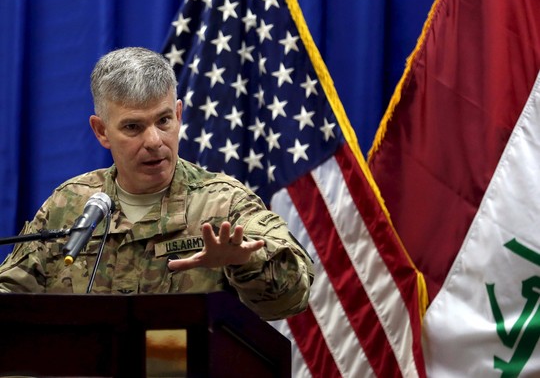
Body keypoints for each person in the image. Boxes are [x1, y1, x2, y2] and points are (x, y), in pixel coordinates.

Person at [0, 47, 314, 321]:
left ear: (178, 114)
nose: (154, 141)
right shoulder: (69, 204)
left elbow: (292, 297)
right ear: (102, 131)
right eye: (133, 127)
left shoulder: (225, 203)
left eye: (163, 121)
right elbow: (9, 297)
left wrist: (245, 260)